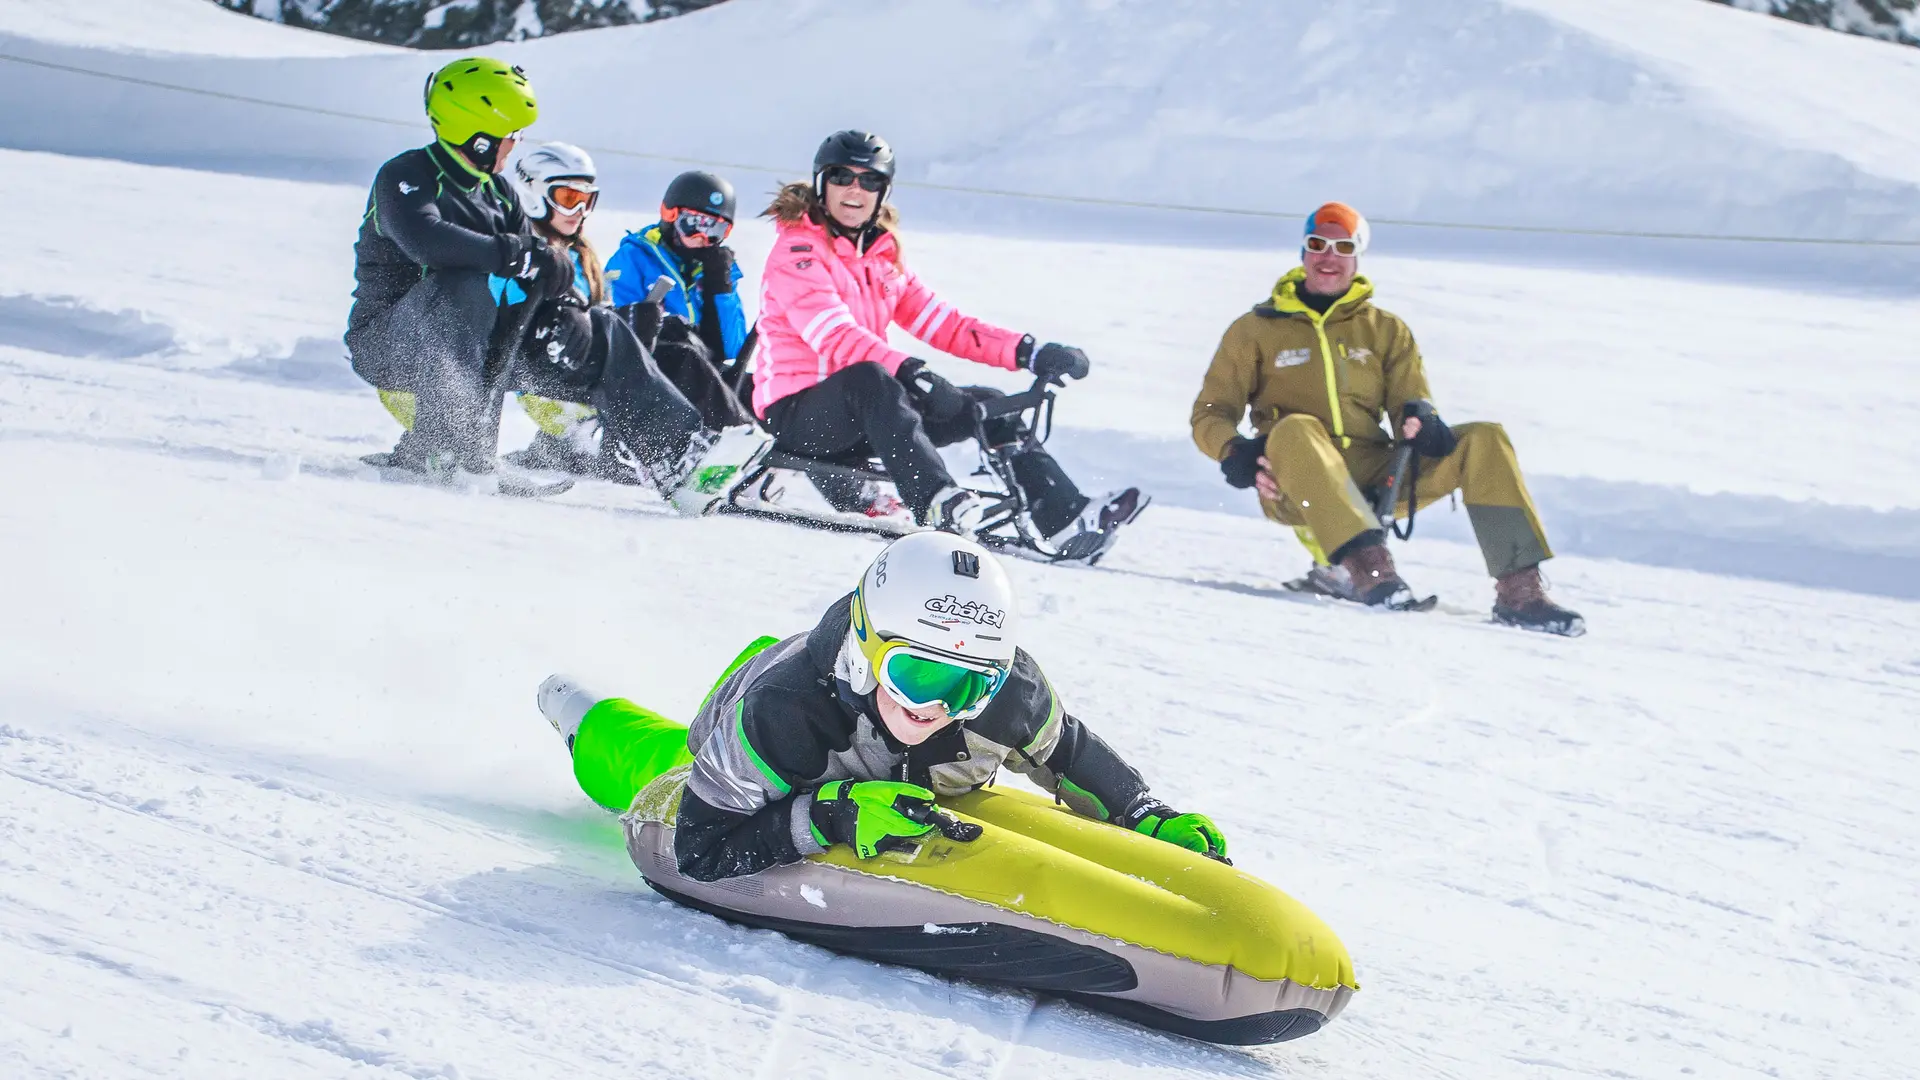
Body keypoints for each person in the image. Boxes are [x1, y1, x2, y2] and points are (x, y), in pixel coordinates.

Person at [538, 531, 1228, 882]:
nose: (935, 706)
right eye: (916, 673)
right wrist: (832, 813)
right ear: (867, 647)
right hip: (744, 716)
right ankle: (578, 714)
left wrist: (1144, 815)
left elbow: (1068, 754)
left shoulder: (1009, 696)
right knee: (651, 768)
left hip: (831, 722)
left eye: (966, 685)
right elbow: (698, 848)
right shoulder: (786, 714)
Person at [343, 60, 765, 508]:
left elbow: (535, 267)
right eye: (511, 135)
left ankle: (679, 458)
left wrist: (564, 294)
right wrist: (518, 254)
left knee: (603, 327)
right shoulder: (408, 176)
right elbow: (426, 239)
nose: (514, 145)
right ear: (479, 135)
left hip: (480, 339)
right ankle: (449, 448)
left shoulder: (498, 194)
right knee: (463, 285)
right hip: (392, 341)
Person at [1189, 202, 1583, 635]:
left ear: (1356, 257)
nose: (1328, 256)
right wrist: (1234, 451)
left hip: (1376, 478)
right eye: (1317, 244)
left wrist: (1421, 417)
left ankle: (1521, 593)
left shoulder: (1385, 329)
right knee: (1299, 427)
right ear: (1302, 253)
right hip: (1295, 477)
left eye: (1342, 247)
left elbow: (1410, 401)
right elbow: (1210, 413)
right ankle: (1371, 572)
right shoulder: (1255, 330)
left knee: (1484, 439)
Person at [752, 130, 1144, 559]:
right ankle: (938, 501)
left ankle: (1068, 520)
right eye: (842, 176)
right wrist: (910, 373)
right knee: (871, 379)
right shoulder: (798, 252)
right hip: (799, 415)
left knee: (990, 404)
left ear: (882, 192)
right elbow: (833, 334)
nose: (854, 190)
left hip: (871, 414)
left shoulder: (880, 256)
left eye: (869, 181)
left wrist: (1029, 352)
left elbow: (945, 324)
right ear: (822, 183)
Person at [604, 170, 755, 430]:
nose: (702, 237)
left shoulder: (713, 270)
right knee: (686, 358)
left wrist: (721, 289)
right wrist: (659, 324)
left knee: (757, 390)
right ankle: (738, 438)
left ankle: (785, 457)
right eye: (695, 223)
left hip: (700, 373)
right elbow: (616, 330)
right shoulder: (634, 258)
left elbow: (733, 348)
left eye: (715, 229)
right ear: (670, 215)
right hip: (650, 375)